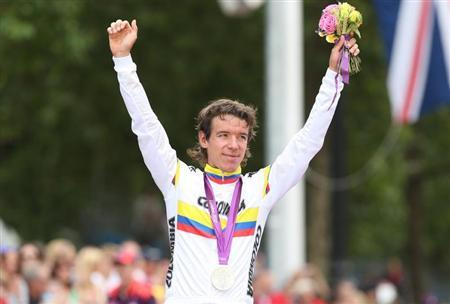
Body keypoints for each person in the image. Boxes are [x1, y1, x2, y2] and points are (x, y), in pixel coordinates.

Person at [107, 18, 360, 304]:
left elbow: (308, 143)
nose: (233, 144)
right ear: (204, 139)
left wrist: (334, 76)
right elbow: (146, 125)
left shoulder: (260, 187)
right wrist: (123, 61)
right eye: (224, 135)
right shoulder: (178, 179)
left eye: (241, 136)